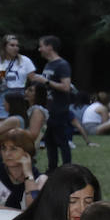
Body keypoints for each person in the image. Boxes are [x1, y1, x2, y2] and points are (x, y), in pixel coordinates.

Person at [29, 35, 73, 170]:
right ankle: (52, 169)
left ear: (50, 47)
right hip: (48, 109)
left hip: (59, 109)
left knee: (62, 141)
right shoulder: (49, 65)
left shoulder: (62, 65)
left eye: (41, 46)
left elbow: (66, 87)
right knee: (49, 141)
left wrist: (45, 81)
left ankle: (67, 168)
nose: (39, 49)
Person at [0, 130, 46, 210]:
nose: (7, 154)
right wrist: (23, 215)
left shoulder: (41, 179)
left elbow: (34, 207)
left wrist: (28, 174)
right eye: (3, 149)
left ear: (27, 152)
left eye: (13, 149)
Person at [0, 35, 35, 121]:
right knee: (0, 128)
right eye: (12, 45)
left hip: (19, 98)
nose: (16, 48)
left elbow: (34, 80)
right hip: (0, 100)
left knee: (18, 125)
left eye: (17, 46)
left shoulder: (25, 60)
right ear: (4, 46)